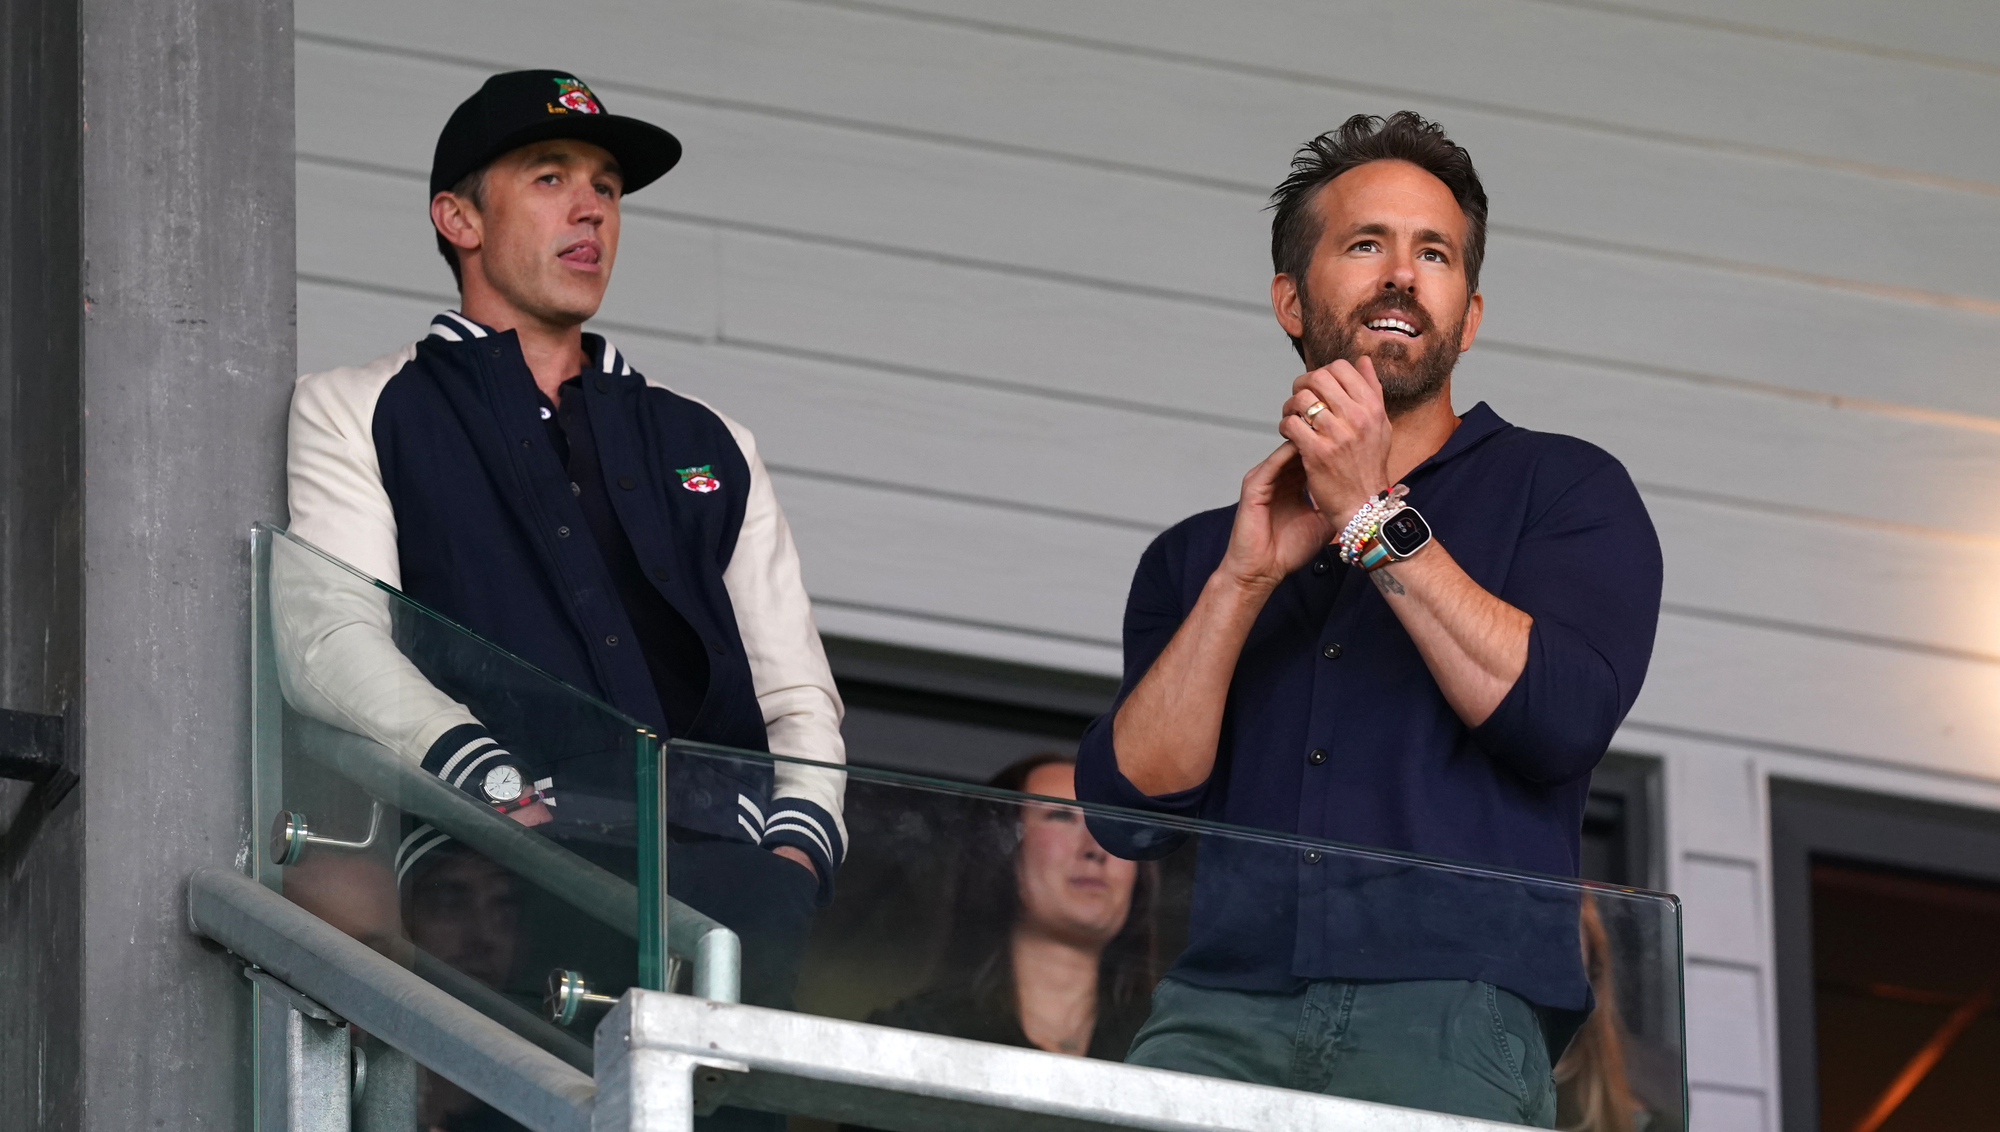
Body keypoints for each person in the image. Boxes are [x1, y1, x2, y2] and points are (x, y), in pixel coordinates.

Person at [279, 69, 846, 1128]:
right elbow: (326, 641)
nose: (590, 209)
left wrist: (796, 851)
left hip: (727, 884)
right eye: (550, 178)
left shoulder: (708, 438)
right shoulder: (358, 405)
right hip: (502, 867)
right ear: (458, 219)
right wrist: (488, 784)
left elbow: (796, 690)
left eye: (606, 187)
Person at [1074, 112, 1663, 1127]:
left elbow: (1561, 719)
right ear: (1290, 300)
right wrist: (1242, 582)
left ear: (1467, 317)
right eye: (1364, 244)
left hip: (1450, 1013)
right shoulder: (1201, 556)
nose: (1401, 275)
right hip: (1215, 1009)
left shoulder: (1565, 488)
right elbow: (1128, 810)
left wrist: (1368, 518)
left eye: (1433, 254)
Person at [865, 754, 1157, 1059]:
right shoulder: (914, 1038)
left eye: (1115, 825)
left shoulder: (1168, 1049)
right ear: (1001, 848)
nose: (1096, 848)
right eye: (1060, 816)